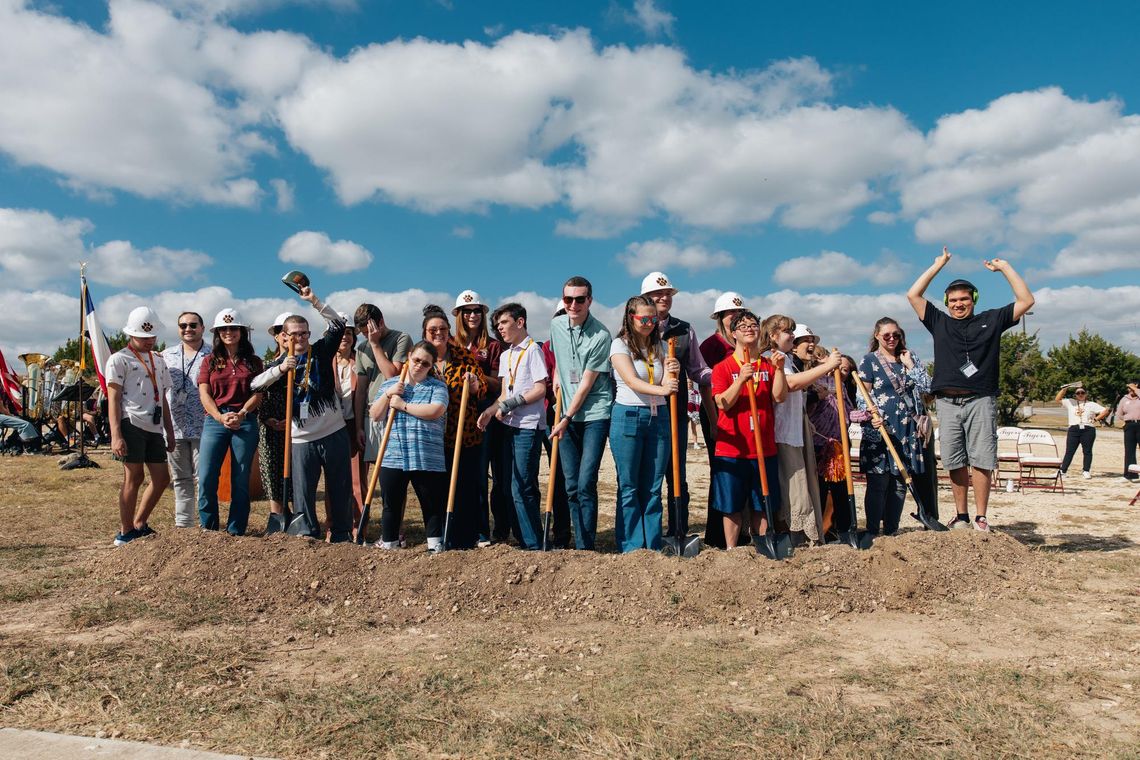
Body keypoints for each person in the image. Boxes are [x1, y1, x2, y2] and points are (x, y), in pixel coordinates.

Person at [907, 246, 1035, 531]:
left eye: (964, 299)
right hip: (947, 402)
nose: (958, 304)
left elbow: (1026, 300)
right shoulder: (938, 321)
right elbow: (913, 295)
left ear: (973, 300)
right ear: (947, 302)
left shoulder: (992, 319)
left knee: (981, 458)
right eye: (953, 300)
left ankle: (981, 516)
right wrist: (937, 265)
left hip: (981, 399)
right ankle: (961, 515)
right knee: (953, 459)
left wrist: (1006, 268)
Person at [252, 286, 353, 542]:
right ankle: (307, 534)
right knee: (303, 492)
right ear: (284, 336)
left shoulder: (319, 351)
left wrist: (314, 301)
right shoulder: (279, 364)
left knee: (339, 487)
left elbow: (338, 325)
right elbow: (254, 385)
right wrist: (279, 370)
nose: (300, 338)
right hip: (301, 439)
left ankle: (341, 534)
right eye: (294, 334)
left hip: (333, 432)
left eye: (304, 333)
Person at [640, 272, 714, 540]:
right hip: (644, 412)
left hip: (676, 413)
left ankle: (678, 530)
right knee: (648, 475)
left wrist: (724, 377)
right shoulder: (635, 329)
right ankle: (648, 531)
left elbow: (698, 369)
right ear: (645, 298)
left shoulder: (684, 329)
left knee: (677, 472)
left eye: (667, 294)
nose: (663, 298)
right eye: (657, 294)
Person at [608, 295, 679, 552]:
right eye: (644, 318)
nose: (650, 323)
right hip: (629, 416)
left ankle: (653, 545)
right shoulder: (619, 345)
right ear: (631, 317)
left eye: (653, 318)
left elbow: (664, 382)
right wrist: (663, 390)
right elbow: (631, 380)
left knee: (653, 486)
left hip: (658, 418)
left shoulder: (659, 346)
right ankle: (632, 546)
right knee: (629, 485)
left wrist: (673, 372)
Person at [710, 310, 787, 548]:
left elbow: (779, 397)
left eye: (753, 324)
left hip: (763, 447)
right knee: (731, 504)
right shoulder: (723, 368)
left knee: (762, 502)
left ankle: (763, 546)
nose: (749, 329)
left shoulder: (768, 364)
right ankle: (732, 550)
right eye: (742, 326)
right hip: (732, 448)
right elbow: (722, 402)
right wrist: (740, 379)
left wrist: (781, 369)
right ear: (733, 333)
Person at [549, 276, 614, 550]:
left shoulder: (601, 335)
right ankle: (578, 543)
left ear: (590, 300)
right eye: (568, 299)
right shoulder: (555, 325)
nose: (573, 304)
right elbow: (559, 361)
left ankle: (587, 546)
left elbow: (586, 384)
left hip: (594, 413)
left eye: (579, 299)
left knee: (586, 481)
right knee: (571, 485)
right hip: (565, 411)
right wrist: (556, 376)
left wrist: (565, 417)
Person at [761, 319, 840, 545]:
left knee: (799, 482)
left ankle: (799, 534)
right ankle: (795, 535)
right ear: (773, 335)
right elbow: (790, 385)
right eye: (787, 331)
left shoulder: (788, 359)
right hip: (782, 431)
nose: (792, 336)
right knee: (792, 485)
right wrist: (825, 367)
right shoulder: (773, 357)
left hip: (794, 428)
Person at [477, 302, 548, 550]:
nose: (500, 329)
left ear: (520, 322)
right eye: (497, 325)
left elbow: (540, 389)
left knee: (522, 486)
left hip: (528, 426)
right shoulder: (507, 354)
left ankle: (534, 544)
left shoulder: (533, 350)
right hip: (508, 425)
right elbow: (504, 393)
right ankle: (526, 538)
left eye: (504, 323)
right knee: (511, 485)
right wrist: (490, 410)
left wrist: (510, 404)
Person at [369, 341, 449, 551]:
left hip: (427, 455)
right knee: (391, 504)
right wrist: (388, 395)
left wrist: (402, 405)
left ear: (430, 366)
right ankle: (389, 543)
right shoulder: (390, 384)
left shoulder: (437, 387)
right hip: (394, 454)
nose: (419, 366)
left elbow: (436, 410)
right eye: (416, 360)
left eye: (425, 364)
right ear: (409, 357)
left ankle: (435, 544)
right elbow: (375, 415)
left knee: (431, 503)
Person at [106, 306, 175, 546]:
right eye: (143, 337)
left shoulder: (159, 360)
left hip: (154, 426)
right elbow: (113, 399)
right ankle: (125, 532)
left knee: (162, 478)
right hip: (131, 423)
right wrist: (116, 435)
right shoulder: (118, 359)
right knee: (133, 477)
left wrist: (170, 431)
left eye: (153, 337)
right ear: (131, 334)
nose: (149, 341)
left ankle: (140, 523)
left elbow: (164, 399)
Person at [857, 318, 932, 535]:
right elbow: (863, 395)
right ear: (877, 336)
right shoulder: (869, 360)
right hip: (881, 428)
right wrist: (872, 415)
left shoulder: (909, 358)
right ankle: (872, 530)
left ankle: (891, 530)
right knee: (878, 482)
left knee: (900, 482)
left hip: (907, 429)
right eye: (887, 335)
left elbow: (928, 387)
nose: (892, 339)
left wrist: (911, 366)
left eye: (896, 335)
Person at [423, 305, 486, 549]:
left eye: (442, 329)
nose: (438, 333)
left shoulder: (463, 356)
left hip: (463, 435)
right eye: (432, 330)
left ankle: (464, 538)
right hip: (432, 438)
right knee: (435, 489)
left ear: (449, 331)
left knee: (465, 487)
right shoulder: (420, 357)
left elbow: (481, 388)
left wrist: (473, 385)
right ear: (425, 333)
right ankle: (439, 537)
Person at [196, 308, 263, 536]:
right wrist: (219, 416)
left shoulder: (254, 362)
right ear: (217, 333)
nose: (228, 332)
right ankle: (209, 528)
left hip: (245, 421)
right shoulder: (209, 361)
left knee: (241, 478)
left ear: (242, 331)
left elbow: (259, 393)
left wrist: (242, 413)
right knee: (206, 476)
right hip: (215, 421)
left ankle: (236, 530)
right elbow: (204, 393)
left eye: (233, 328)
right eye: (223, 329)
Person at [453, 290, 507, 547]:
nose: (472, 315)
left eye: (477, 311)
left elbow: (499, 384)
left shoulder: (494, 345)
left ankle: (488, 531)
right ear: (459, 316)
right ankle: (466, 527)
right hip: (457, 413)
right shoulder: (451, 344)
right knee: (466, 474)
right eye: (467, 311)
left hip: (485, 412)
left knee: (487, 473)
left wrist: (476, 378)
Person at [806, 347, 868, 541]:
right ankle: (818, 532)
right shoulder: (815, 382)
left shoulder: (841, 388)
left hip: (839, 444)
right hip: (819, 442)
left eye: (845, 370)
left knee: (842, 487)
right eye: (838, 367)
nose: (840, 371)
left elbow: (847, 411)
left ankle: (844, 529)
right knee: (821, 489)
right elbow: (808, 407)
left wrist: (860, 415)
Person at [700, 291, 747, 548]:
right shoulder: (712, 346)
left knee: (742, 474)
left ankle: (741, 532)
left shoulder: (746, 343)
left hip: (742, 417)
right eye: (730, 314)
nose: (735, 318)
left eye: (739, 314)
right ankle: (716, 536)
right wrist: (713, 420)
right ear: (719, 317)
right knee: (723, 475)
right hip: (718, 415)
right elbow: (706, 387)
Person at [353, 303, 411, 504]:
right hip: (372, 415)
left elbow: (392, 375)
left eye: (368, 331)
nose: (365, 337)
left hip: (394, 414)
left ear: (380, 322)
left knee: (393, 475)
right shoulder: (361, 348)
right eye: (362, 333)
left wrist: (376, 345)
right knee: (376, 474)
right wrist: (359, 426)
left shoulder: (401, 338)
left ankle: (398, 531)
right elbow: (361, 390)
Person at [161, 311, 210, 528]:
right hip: (175, 426)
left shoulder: (213, 354)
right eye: (183, 325)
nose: (187, 329)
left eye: (192, 325)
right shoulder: (166, 355)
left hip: (204, 425)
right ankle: (184, 525)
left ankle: (207, 524)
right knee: (180, 479)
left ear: (202, 327)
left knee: (204, 479)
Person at [258, 313, 294, 531]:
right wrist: (267, 419)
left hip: (296, 426)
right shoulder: (266, 365)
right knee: (272, 470)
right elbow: (257, 392)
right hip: (269, 426)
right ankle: (277, 516)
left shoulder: (304, 364)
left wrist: (292, 419)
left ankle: (297, 514)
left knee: (295, 472)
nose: (286, 336)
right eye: (282, 331)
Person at [1054, 385, 1109, 479]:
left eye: (1082, 393)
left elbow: (1105, 410)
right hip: (1074, 428)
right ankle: (1063, 471)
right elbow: (1057, 399)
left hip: (1088, 429)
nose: (1080, 394)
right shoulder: (1071, 402)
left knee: (1087, 451)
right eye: (1078, 393)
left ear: (1086, 394)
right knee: (1069, 451)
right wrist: (1064, 389)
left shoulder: (1091, 404)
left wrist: (1095, 419)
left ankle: (1086, 471)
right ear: (1075, 395)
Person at [1115, 382, 1140, 482]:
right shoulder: (1124, 399)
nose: (1130, 390)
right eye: (1129, 388)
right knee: (1129, 451)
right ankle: (1130, 475)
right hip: (1129, 425)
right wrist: (1126, 419)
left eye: (1132, 388)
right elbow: (1119, 413)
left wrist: (1136, 389)